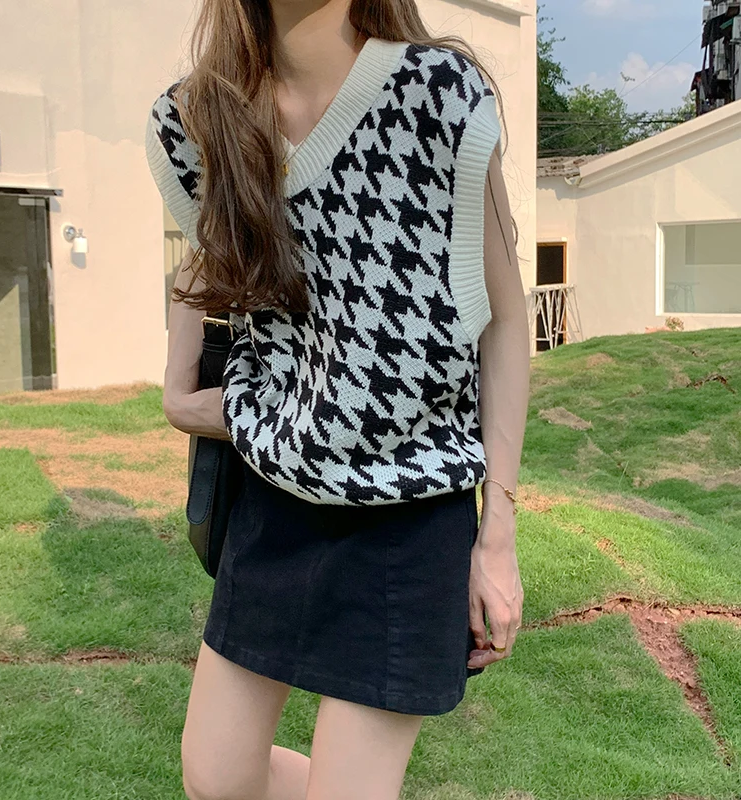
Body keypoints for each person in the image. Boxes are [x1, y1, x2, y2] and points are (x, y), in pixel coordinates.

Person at [145, 0, 530, 797]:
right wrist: (184, 398)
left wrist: (497, 536)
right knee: (216, 779)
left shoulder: (437, 92)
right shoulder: (197, 118)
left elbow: (501, 320)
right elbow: (204, 262)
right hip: (274, 500)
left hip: (408, 513)